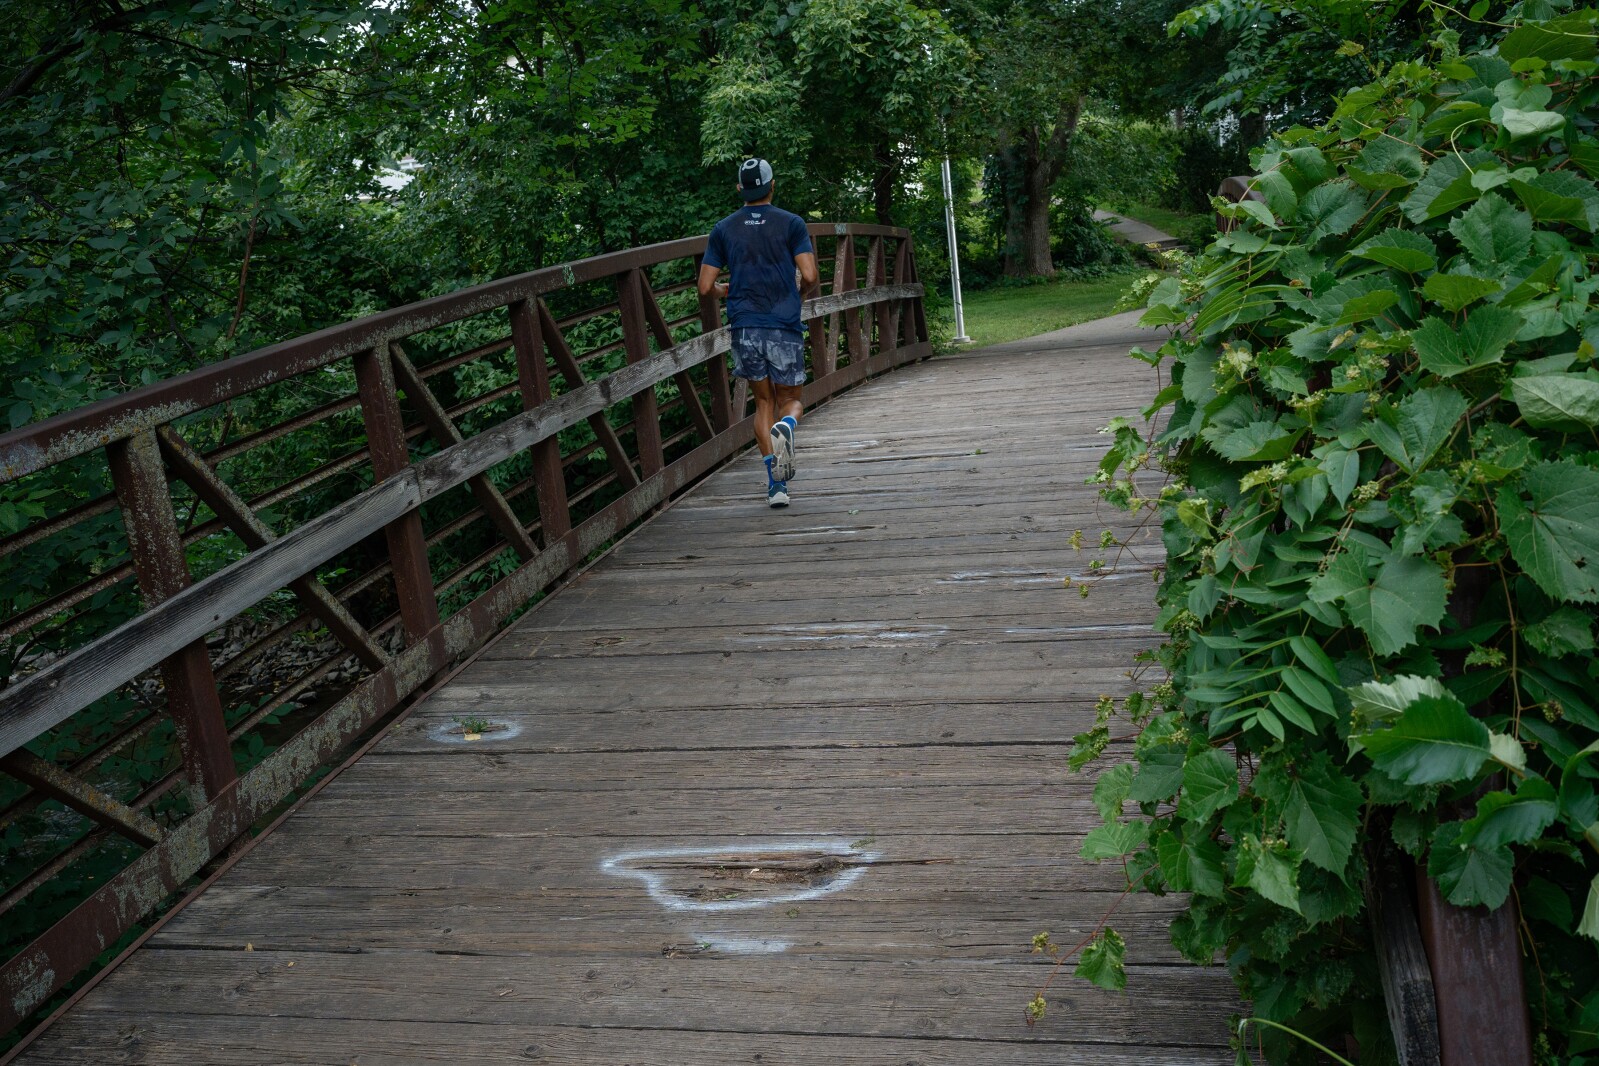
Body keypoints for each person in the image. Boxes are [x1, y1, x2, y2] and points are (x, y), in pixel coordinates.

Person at [697, 158, 820, 508]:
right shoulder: (792, 224)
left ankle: (776, 487)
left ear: (740, 189)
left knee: (763, 402)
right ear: (772, 185)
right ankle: (789, 428)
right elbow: (810, 276)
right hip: (782, 324)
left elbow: (705, 286)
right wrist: (796, 298)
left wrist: (726, 291)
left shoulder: (723, 229)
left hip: (745, 327)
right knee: (791, 401)